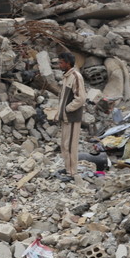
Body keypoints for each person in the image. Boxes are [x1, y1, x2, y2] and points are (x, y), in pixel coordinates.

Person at [56, 51, 86, 181]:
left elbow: (81, 98)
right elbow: (63, 98)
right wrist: (59, 113)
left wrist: (67, 109)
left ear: (68, 63)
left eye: (61, 63)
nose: (59, 65)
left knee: (70, 146)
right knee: (64, 145)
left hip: (72, 118)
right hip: (65, 118)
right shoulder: (66, 77)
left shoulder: (76, 76)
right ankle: (68, 168)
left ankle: (72, 173)